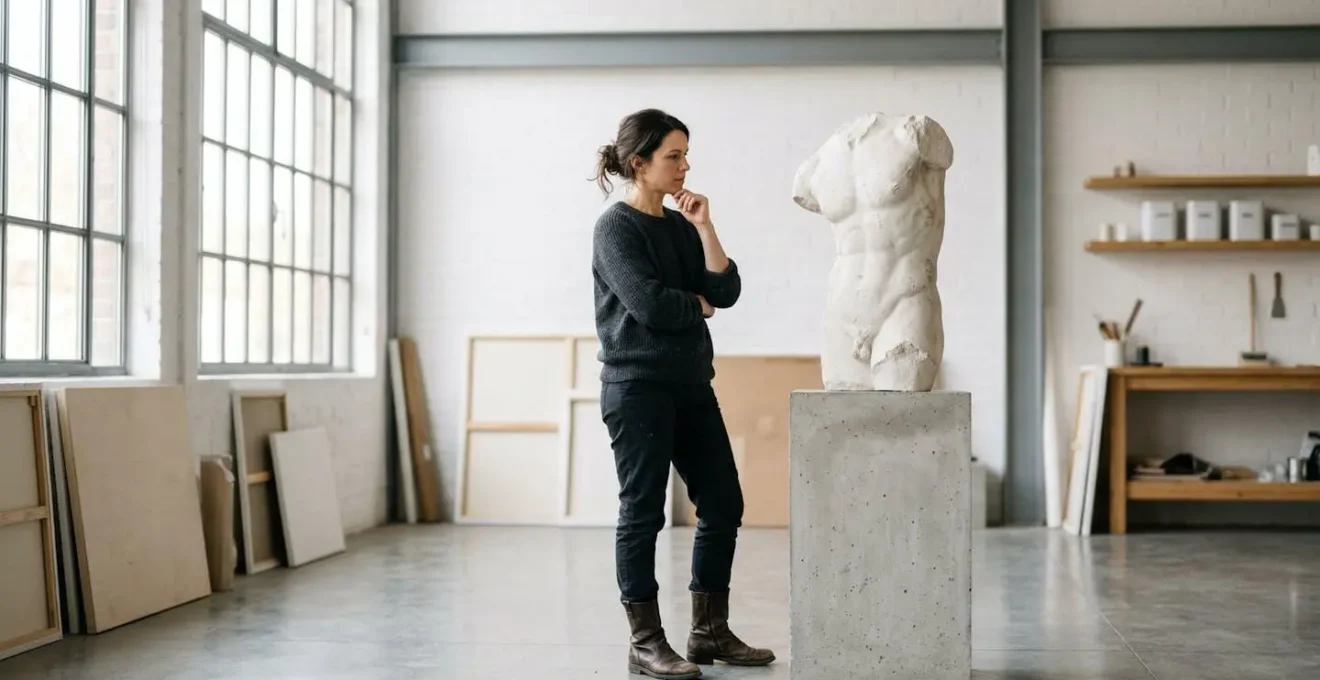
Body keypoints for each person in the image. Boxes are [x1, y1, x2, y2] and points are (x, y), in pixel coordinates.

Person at [590, 108, 775, 679]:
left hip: (692, 384)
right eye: (674, 155)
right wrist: (695, 305)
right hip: (637, 388)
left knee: (724, 503)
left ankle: (708, 632)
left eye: (686, 154)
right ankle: (645, 642)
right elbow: (651, 306)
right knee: (642, 511)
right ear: (638, 162)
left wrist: (704, 227)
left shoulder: (678, 226)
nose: (685, 165)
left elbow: (727, 288)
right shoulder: (615, 227)